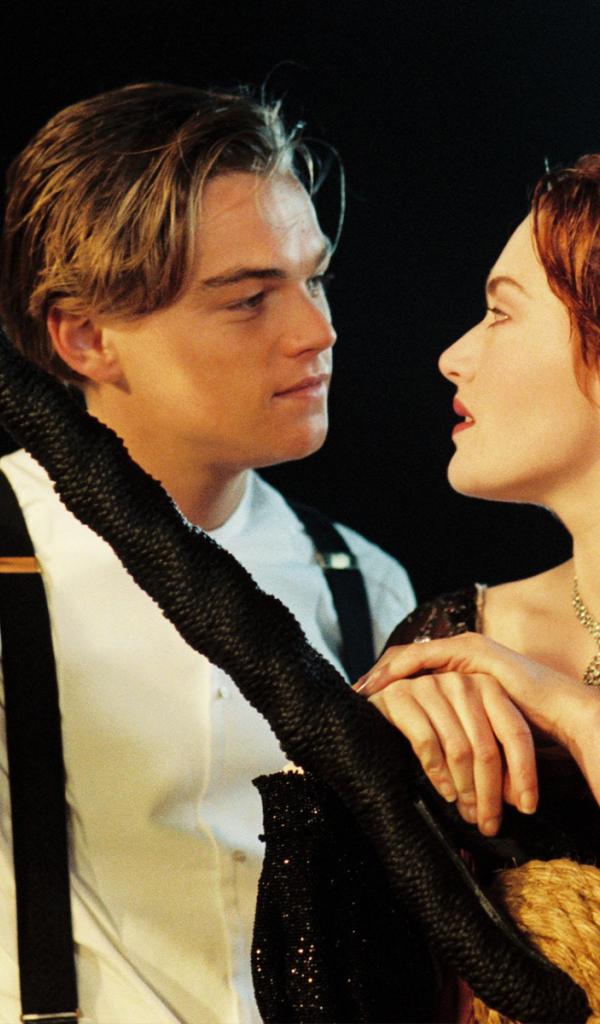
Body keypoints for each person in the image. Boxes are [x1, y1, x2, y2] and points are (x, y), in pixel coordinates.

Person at [0, 82, 415, 1024]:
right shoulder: (10, 560)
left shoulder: (363, 585)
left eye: (314, 279)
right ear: (87, 337)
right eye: (249, 299)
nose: (317, 332)